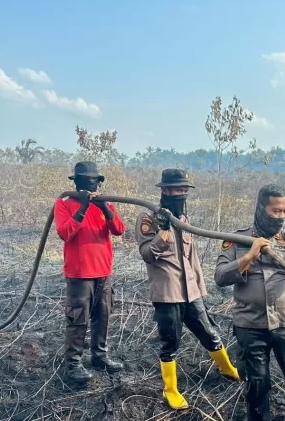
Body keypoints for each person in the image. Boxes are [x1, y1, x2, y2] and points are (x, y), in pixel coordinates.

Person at [214, 184, 285, 421]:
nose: (281, 217)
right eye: (276, 211)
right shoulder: (236, 239)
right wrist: (249, 256)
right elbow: (221, 276)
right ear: (262, 209)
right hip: (250, 325)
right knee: (256, 384)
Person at [135, 168, 241, 410]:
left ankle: (227, 369)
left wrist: (200, 289)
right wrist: (163, 230)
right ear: (164, 190)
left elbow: (191, 258)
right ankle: (170, 390)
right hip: (167, 294)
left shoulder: (184, 218)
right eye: (177, 189)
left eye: (185, 189)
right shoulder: (148, 218)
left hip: (191, 292)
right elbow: (147, 255)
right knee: (170, 343)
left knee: (210, 332)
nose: (182, 193)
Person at [54, 161, 126, 383]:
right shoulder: (64, 202)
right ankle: (73, 364)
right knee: (78, 319)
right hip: (79, 274)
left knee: (102, 316)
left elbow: (119, 230)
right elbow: (65, 233)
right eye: (87, 181)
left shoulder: (105, 203)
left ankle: (99, 356)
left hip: (103, 272)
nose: (92, 185)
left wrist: (105, 208)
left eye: (95, 181)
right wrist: (83, 207)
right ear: (76, 182)